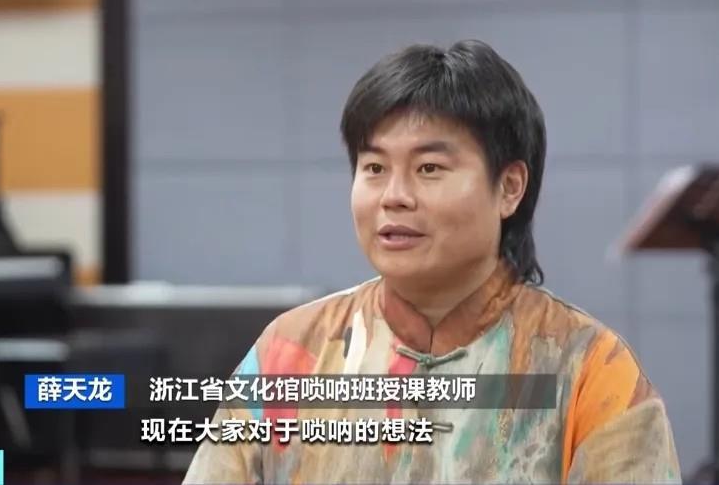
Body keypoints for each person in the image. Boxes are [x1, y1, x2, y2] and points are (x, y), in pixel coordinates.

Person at [183, 40, 680, 484]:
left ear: (509, 187)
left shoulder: (590, 369)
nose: (394, 196)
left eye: (429, 168)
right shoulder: (291, 352)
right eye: (374, 167)